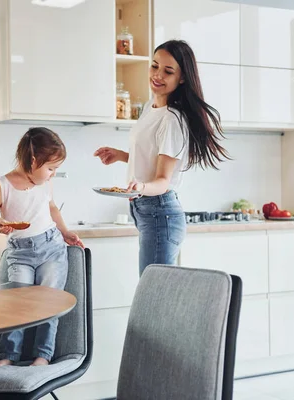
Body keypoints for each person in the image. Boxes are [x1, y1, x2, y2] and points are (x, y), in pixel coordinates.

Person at [94, 40, 230, 276]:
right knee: (154, 291)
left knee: (154, 294)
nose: (157, 75)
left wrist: (140, 187)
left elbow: (163, 181)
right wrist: (121, 156)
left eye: (168, 71)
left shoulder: (171, 119)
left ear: (182, 78)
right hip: (146, 209)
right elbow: (151, 158)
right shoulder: (150, 107)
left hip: (159, 212)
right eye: (154, 66)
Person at [0, 127, 84, 368]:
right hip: (20, 253)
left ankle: (43, 356)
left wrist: (66, 231)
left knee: (49, 302)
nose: (52, 174)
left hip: (51, 248)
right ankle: (8, 355)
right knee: (17, 304)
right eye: (50, 168)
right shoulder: (3, 184)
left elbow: (52, 209)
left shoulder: (43, 184)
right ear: (34, 160)